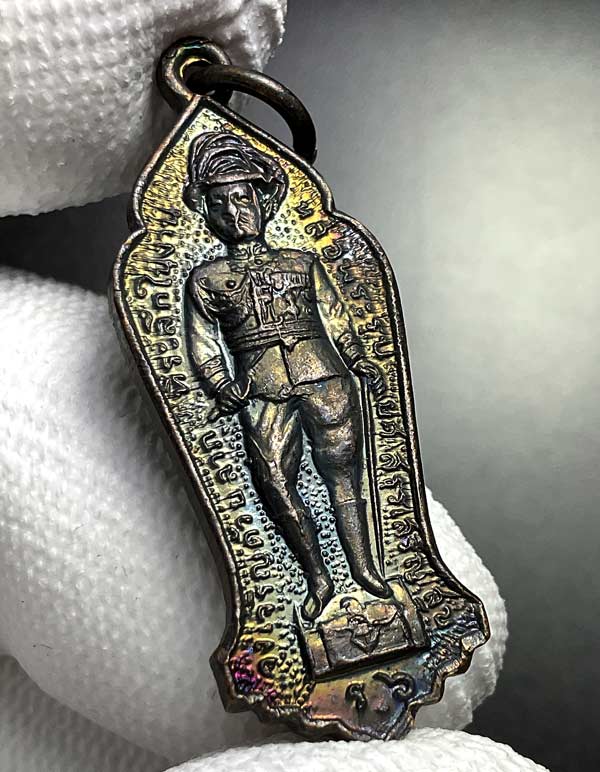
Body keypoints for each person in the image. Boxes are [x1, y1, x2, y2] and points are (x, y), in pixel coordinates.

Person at [183, 131, 393, 620]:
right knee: (274, 483)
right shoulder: (205, 279)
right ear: (208, 214)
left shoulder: (303, 261)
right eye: (220, 203)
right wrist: (220, 384)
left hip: (326, 378)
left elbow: (335, 315)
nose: (234, 212)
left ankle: (365, 569)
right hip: (262, 392)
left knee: (344, 473)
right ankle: (317, 578)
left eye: (242, 198)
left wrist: (357, 358)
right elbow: (202, 342)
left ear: (261, 202)